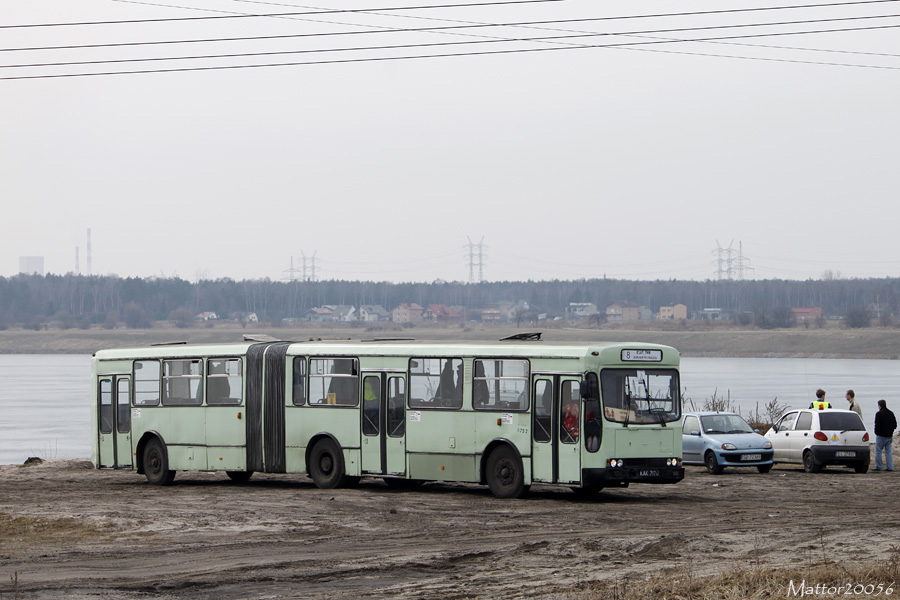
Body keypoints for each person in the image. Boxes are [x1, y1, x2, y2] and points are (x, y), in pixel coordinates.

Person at [873, 399, 897, 471]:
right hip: (889, 435)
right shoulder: (891, 413)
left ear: (879, 405)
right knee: (888, 451)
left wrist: (876, 432)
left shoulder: (879, 414)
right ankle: (890, 467)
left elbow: (877, 425)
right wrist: (891, 431)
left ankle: (879, 466)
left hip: (881, 435)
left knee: (878, 451)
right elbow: (895, 425)